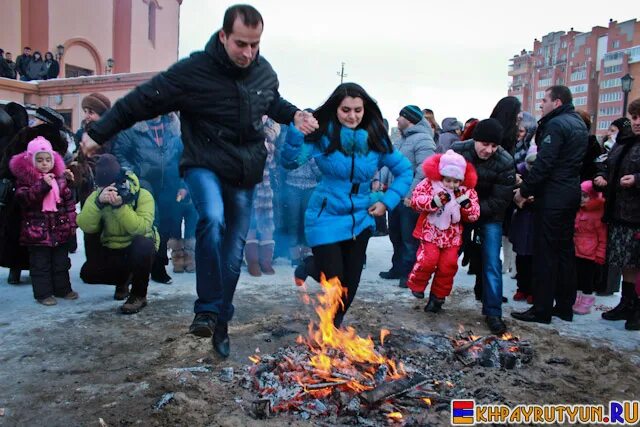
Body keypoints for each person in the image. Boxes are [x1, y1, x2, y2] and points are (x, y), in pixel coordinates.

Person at [86, 4, 317, 357]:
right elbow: (141, 100)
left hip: (244, 171)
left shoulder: (264, 72)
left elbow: (272, 101)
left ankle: (219, 321)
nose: (248, 53)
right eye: (241, 43)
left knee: (233, 252)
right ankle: (207, 308)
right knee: (211, 217)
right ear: (223, 36)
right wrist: (100, 131)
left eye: (255, 45)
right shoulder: (194, 71)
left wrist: (294, 114)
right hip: (204, 163)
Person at [285, 82, 412, 328]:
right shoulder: (322, 135)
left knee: (350, 284)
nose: (352, 116)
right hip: (326, 213)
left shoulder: (376, 139)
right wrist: (295, 133)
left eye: (357, 110)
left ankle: (333, 328)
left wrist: (387, 202)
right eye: (346, 110)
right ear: (335, 109)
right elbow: (290, 162)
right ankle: (312, 265)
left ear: (365, 110)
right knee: (334, 278)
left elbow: (405, 170)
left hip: (361, 215)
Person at [512, 85, 588, 324]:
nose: (541, 105)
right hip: (568, 194)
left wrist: (524, 190)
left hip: (553, 197)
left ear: (557, 102)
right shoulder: (577, 123)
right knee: (564, 251)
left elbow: (545, 163)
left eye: (544, 100)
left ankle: (542, 309)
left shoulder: (556, 125)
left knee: (545, 253)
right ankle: (565, 306)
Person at [452, 118, 515, 335]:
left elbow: (501, 200)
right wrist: (463, 210)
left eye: (494, 146)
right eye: (484, 144)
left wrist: (474, 211)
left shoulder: (506, 161)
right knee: (449, 254)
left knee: (491, 262)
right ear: (475, 140)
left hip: (490, 215)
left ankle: (493, 312)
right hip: (458, 211)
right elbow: (445, 183)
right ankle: (436, 298)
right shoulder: (458, 152)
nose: (488, 150)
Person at [77, 154, 159, 314]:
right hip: (111, 248)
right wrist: (98, 203)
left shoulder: (142, 195)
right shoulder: (97, 196)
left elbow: (142, 228)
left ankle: (138, 295)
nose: (110, 191)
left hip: (136, 249)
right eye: (104, 187)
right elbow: (85, 226)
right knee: (88, 274)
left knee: (144, 243)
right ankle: (122, 279)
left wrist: (120, 207)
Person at [112, 112, 184, 284]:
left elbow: (184, 156)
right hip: (144, 182)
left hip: (170, 182)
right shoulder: (132, 127)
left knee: (167, 224)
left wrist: (182, 183)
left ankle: (158, 264)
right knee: (151, 223)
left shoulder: (175, 127)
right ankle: (144, 266)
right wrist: (133, 173)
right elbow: (119, 153)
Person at [0, 106, 69, 285]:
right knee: (44, 233)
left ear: (41, 120)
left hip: (22, 191)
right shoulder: (60, 139)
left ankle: (15, 272)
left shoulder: (24, 134)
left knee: (17, 231)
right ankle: (39, 272)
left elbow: (7, 162)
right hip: (50, 192)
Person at [406, 150, 479, 312]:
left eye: (456, 181)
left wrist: (465, 204)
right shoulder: (429, 183)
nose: (451, 185)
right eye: (448, 180)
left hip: (452, 236)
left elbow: (474, 215)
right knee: (428, 260)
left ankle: (438, 297)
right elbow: (415, 201)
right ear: (441, 176)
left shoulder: (467, 191)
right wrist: (434, 201)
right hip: (430, 232)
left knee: (448, 265)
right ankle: (417, 284)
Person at [9, 137, 77, 305]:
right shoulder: (26, 181)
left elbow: (69, 204)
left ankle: (63, 289)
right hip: (37, 232)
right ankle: (43, 294)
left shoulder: (59, 179)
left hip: (59, 230)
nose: (44, 164)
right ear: (31, 161)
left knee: (61, 263)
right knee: (40, 265)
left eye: (48, 159)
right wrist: (43, 186)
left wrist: (71, 223)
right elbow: (25, 198)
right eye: (39, 160)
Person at [594, 99, 640, 330]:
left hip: (637, 215)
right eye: (634, 117)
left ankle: (638, 308)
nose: (637, 122)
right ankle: (627, 302)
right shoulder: (626, 142)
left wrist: (638, 180)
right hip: (622, 212)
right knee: (626, 261)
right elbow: (607, 163)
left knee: (637, 262)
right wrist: (603, 177)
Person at [379, 105, 436, 288]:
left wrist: (411, 194)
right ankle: (397, 268)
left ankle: (409, 274)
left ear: (409, 119)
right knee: (395, 235)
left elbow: (425, 170)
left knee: (409, 239)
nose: (396, 120)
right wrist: (383, 184)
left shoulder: (424, 140)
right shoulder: (401, 139)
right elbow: (391, 164)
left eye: (400, 116)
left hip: (409, 199)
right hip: (395, 196)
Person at [245, 117, 280, 276]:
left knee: (267, 224)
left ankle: (266, 260)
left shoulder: (272, 133)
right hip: (247, 185)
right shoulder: (246, 126)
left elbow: (274, 166)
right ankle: (252, 261)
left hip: (265, 187)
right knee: (250, 224)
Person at [572, 180, 606, 315]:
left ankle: (586, 301)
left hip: (590, 254)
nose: (582, 198)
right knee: (577, 277)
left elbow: (602, 237)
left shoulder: (598, 214)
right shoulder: (578, 210)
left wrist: (600, 254)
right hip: (576, 250)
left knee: (587, 279)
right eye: (580, 195)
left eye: (585, 196)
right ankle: (576, 298)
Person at [509, 144, 537, 303]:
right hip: (521, 220)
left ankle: (533, 289)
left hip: (535, 222)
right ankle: (522, 287)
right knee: (521, 257)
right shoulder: (519, 174)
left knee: (534, 259)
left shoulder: (544, 177)